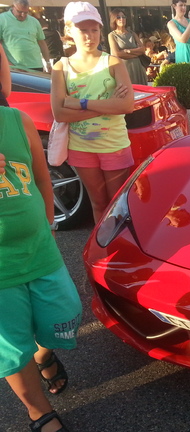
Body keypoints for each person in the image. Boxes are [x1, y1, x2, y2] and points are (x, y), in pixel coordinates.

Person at [1, 106, 82, 432]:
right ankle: (39, 411)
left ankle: (42, 354)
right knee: (10, 347)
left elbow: (40, 177)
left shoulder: (16, 120)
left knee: (65, 314)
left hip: (39, 250)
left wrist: (49, 223)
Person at [51, 1, 135, 224]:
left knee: (116, 206)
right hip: (81, 149)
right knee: (98, 205)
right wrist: (109, 105)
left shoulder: (114, 62)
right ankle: (103, 255)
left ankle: (118, 252)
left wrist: (80, 103)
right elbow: (59, 113)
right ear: (69, 31)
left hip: (114, 146)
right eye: (82, 30)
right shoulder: (61, 67)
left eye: (94, 29)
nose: (90, 36)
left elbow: (126, 106)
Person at [0, 0, 51, 72]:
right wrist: (8, 64)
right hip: (14, 67)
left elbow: (42, 43)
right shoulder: (2, 19)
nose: (23, 15)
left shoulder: (34, 21)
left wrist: (48, 62)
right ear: (12, 7)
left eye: (26, 12)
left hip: (36, 65)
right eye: (20, 12)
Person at [108, 9, 147, 85]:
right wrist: (136, 53)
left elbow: (142, 50)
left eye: (123, 17)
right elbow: (117, 54)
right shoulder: (112, 35)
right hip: (124, 68)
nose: (121, 19)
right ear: (114, 19)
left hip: (137, 67)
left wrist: (128, 51)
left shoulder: (132, 33)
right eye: (118, 17)